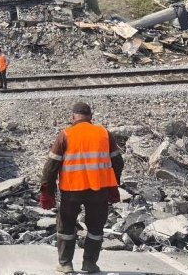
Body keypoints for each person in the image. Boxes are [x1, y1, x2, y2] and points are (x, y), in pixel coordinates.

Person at [39, 102, 124, 274]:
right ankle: (89, 264)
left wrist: (47, 190)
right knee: (95, 227)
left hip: (71, 190)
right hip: (98, 191)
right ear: (90, 116)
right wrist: (114, 185)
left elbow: (51, 166)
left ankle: (65, 264)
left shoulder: (66, 134)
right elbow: (118, 162)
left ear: (72, 117)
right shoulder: (104, 133)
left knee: (66, 226)